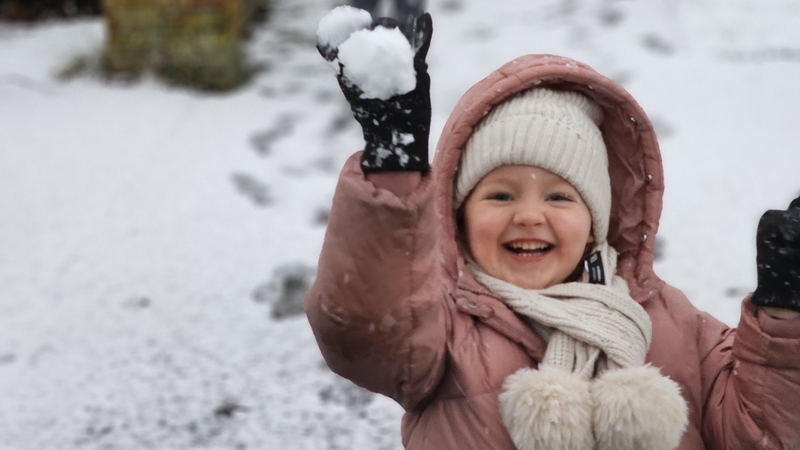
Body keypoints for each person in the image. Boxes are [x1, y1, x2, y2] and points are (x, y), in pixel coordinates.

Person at [305, 9, 800, 450]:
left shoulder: (669, 320)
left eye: (559, 197)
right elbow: (363, 329)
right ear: (458, 217)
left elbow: (763, 434)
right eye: (500, 195)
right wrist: (394, 175)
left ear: (594, 224)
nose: (529, 216)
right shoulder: (443, 322)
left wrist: (786, 318)